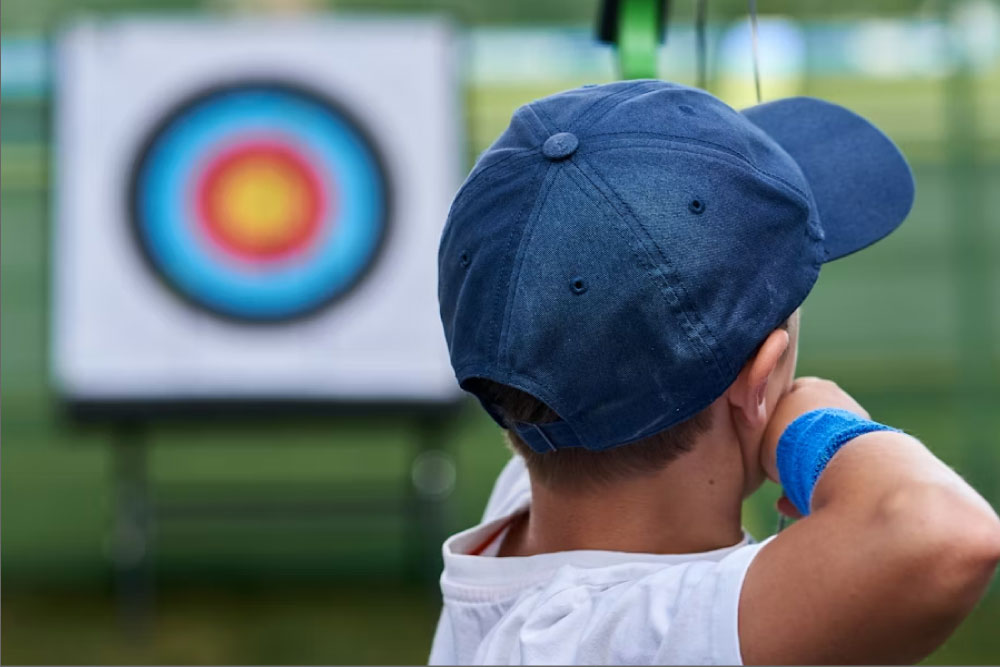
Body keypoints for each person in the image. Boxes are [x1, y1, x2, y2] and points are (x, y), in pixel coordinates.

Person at [430, 80, 1000, 665]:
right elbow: (948, 535)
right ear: (761, 380)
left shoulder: (532, 500)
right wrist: (814, 431)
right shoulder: (611, 638)